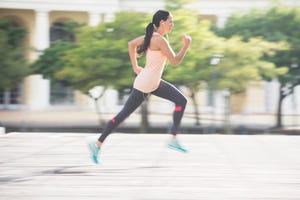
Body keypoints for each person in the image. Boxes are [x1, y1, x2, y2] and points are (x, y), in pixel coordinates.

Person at [88, 9, 192, 164]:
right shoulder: (159, 40)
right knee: (122, 116)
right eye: (171, 21)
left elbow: (131, 44)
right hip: (145, 84)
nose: (172, 24)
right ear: (162, 22)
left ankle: (173, 138)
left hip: (153, 82)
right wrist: (186, 45)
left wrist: (136, 67)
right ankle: (97, 144)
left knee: (181, 101)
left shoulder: (153, 37)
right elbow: (175, 61)